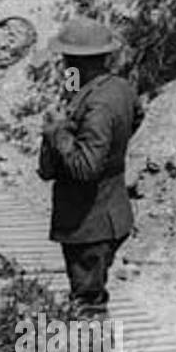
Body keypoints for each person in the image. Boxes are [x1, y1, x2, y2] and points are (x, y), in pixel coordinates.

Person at [37, 18, 143, 318]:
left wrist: (58, 132)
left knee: (88, 304)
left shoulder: (98, 104)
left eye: (66, 59)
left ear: (75, 60)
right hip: (108, 212)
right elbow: (136, 118)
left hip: (89, 222)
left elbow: (85, 168)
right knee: (90, 294)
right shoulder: (119, 88)